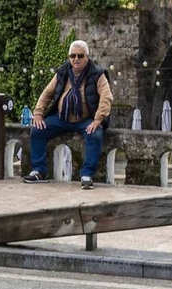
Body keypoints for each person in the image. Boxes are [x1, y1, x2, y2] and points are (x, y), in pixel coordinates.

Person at [24, 40, 113, 190]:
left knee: (95, 134)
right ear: (69, 57)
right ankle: (39, 171)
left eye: (80, 56)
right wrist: (38, 114)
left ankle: (87, 175)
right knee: (37, 130)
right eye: (73, 56)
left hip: (85, 119)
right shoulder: (63, 72)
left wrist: (98, 119)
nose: (76, 59)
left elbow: (107, 97)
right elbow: (47, 93)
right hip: (61, 118)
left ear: (87, 57)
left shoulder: (97, 74)